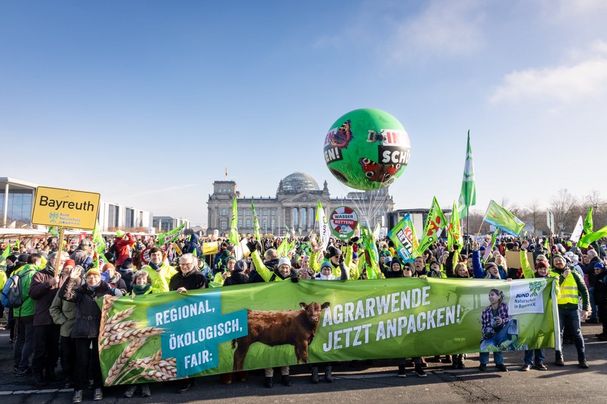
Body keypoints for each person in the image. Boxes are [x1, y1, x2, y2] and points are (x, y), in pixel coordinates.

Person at [61, 266, 122, 403]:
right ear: (85, 279)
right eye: (89, 276)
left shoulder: (106, 290)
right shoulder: (80, 291)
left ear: (100, 278)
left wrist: (113, 289)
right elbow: (66, 295)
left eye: (95, 276)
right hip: (82, 329)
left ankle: (97, 387)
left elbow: (121, 297)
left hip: (100, 330)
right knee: (81, 361)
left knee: (97, 361)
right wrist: (71, 279)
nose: (92, 278)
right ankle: (78, 390)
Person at [29, 251, 69, 387]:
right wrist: (48, 283)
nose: (61, 263)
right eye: (59, 260)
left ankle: (50, 372)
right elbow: (33, 293)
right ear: (51, 260)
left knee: (53, 349)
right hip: (43, 318)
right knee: (40, 349)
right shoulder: (40, 275)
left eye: (64, 261)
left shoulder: (65, 276)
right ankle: (37, 375)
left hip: (57, 319)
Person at [169, 253, 207, 393]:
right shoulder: (174, 278)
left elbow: (202, 297)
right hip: (176, 317)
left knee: (189, 349)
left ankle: (188, 379)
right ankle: (178, 376)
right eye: (182, 264)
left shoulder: (199, 277)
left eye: (187, 264)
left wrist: (188, 293)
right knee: (177, 347)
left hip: (193, 318)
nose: (184, 267)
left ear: (194, 263)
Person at [551, 254, 591, 368]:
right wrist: (563, 277)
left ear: (565, 261)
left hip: (573, 309)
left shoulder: (574, 273)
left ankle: (582, 359)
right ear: (553, 263)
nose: (558, 262)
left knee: (577, 334)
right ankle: (559, 358)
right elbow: (552, 290)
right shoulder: (552, 274)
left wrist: (585, 308)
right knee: (559, 334)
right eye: (556, 261)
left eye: (560, 260)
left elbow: (584, 291)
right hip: (559, 309)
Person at [123, 271, 152, 398]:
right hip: (134, 328)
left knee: (147, 357)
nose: (141, 282)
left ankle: (145, 385)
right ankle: (133, 384)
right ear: (135, 281)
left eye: (143, 280)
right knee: (134, 357)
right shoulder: (131, 293)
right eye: (139, 280)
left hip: (149, 326)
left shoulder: (153, 292)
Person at [49, 259, 77, 388]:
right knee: (67, 355)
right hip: (67, 329)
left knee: (82, 356)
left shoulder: (84, 288)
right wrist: (62, 321)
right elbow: (54, 308)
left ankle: (81, 377)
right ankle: (68, 378)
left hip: (83, 329)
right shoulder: (62, 291)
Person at [520, 261, 549, 371]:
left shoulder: (551, 280)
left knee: (540, 338)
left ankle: (539, 362)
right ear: (536, 269)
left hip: (544, 312)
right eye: (540, 268)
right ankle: (527, 362)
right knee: (530, 337)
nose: (542, 270)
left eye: (544, 269)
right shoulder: (531, 277)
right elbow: (525, 266)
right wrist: (523, 250)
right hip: (531, 311)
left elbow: (556, 293)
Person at [479, 289, 509, 372]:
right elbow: (484, 325)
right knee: (484, 343)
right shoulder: (486, 311)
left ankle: (499, 363)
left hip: (501, 332)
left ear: (499, 296)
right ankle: (483, 363)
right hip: (489, 333)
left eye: (492, 295)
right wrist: (486, 332)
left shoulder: (504, 306)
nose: (490, 297)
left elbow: (508, 318)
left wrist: (502, 321)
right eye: (489, 295)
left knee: (498, 343)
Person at [593, 261, 607, 340]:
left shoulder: (604, 276)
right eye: (595, 269)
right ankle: (604, 332)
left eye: (598, 269)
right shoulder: (599, 276)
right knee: (602, 317)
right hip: (601, 301)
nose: (596, 271)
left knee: (605, 318)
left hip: (605, 301)